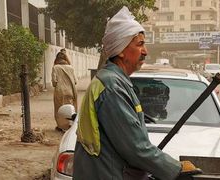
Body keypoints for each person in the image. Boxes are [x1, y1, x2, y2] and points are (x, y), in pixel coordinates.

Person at [73, 6, 201, 180]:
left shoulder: (115, 81)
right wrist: (175, 170)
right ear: (120, 50)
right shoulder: (112, 87)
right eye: (139, 44)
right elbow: (135, 147)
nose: (145, 51)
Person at [51, 52, 78, 131]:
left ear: (56, 59)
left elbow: (54, 82)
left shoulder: (55, 67)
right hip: (71, 91)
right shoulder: (71, 68)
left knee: (59, 109)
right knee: (71, 108)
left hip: (60, 91)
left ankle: (61, 126)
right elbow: (75, 81)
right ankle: (70, 125)